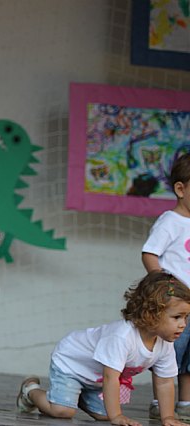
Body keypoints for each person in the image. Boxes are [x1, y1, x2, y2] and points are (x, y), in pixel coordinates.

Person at [16, 271, 190, 426]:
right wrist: (117, 416)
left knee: (104, 415)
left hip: (95, 378)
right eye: (177, 317)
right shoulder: (122, 337)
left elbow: (165, 381)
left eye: (186, 317)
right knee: (63, 412)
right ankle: (30, 390)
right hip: (71, 364)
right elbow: (110, 378)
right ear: (150, 313)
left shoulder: (164, 343)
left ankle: (75, 395)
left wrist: (167, 417)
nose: (183, 325)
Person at [142, 152, 190, 420]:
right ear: (181, 189)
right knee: (169, 353)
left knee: (189, 359)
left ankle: (185, 403)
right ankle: (160, 402)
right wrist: (165, 288)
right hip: (174, 306)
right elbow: (149, 253)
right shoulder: (170, 221)